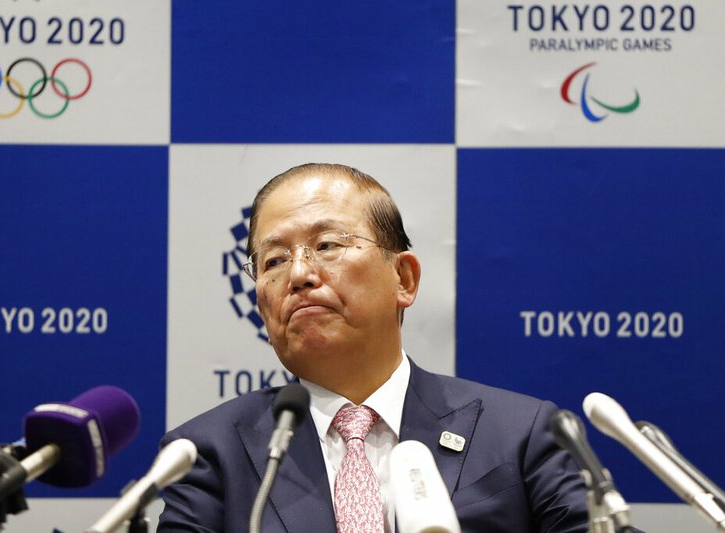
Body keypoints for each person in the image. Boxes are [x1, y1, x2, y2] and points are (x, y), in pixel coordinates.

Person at [157, 163, 589, 532]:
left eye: (327, 245)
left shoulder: (522, 434)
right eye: (274, 261)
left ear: (404, 279)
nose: (300, 274)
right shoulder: (208, 453)